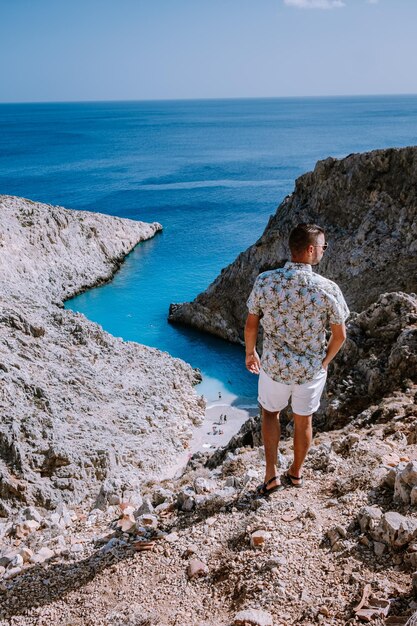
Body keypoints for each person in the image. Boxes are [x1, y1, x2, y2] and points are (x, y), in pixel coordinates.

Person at [245, 223, 349, 495]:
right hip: (310, 371)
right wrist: (324, 363)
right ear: (311, 250)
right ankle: (296, 473)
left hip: (275, 368)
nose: (324, 251)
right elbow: (339, 336)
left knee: (270, 414)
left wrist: (250, 352)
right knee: (304, 421)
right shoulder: (328, 288)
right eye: (324, 247)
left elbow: (251, 323)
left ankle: (270, 476)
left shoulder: (265, 281)